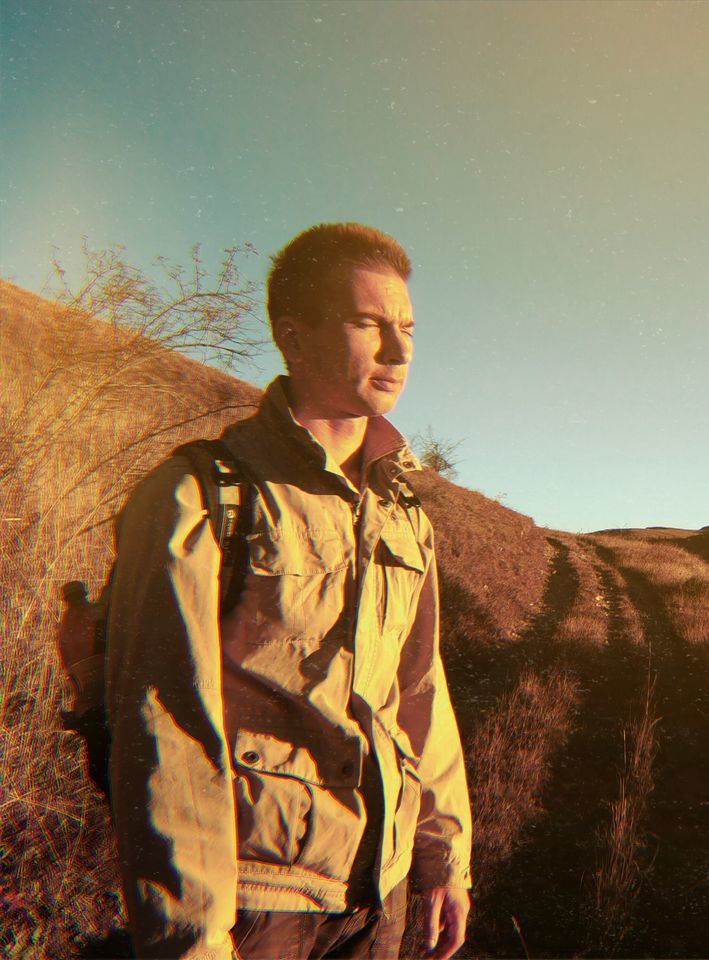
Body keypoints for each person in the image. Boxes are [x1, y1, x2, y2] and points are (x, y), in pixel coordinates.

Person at [105, 223, 472, 960]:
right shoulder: (198, 495)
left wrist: (443, 862)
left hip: (379, 889)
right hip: (254, 901)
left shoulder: (405, 512)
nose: (399, 352)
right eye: (369, 324)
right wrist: (193, 937)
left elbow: (420, 694)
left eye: (407, 328)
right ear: (293, 338)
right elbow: (164, 725)